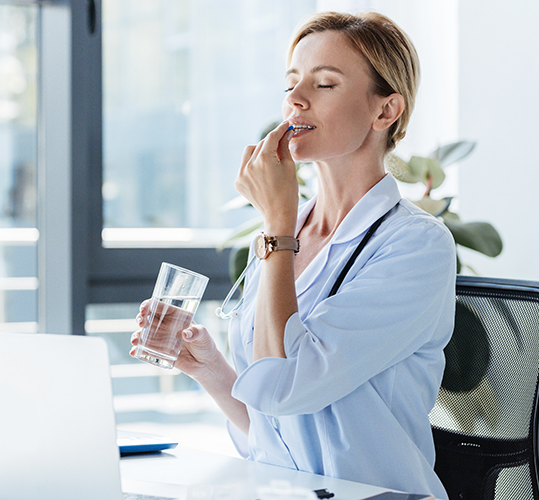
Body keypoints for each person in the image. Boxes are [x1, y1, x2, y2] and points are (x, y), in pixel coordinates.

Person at [131, 11, 455, 500]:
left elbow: (285, 389)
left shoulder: (416, 245)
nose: (295, 99)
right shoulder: (285, 230)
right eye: (291, 84)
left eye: (324, 84)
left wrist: (277, 225)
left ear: (385, 111)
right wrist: (210, 369)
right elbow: (276, 432)